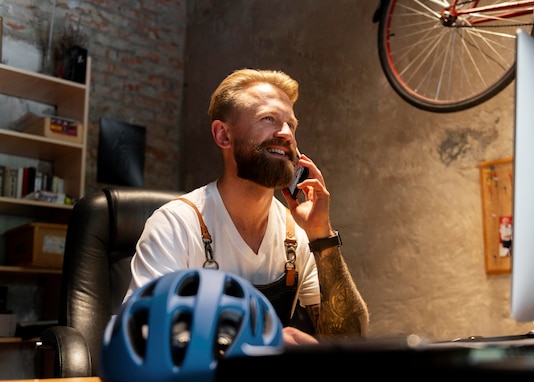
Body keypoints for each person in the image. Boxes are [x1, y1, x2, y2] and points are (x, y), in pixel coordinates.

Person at [127, 68, 369, 345]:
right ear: (223, 135)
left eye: (291, 125)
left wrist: (321, 235)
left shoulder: (297, 235)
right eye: (269, 119)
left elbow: (350, 341)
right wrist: (262, 340)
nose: (286, 134)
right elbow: (141, 334)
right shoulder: (177, 224)